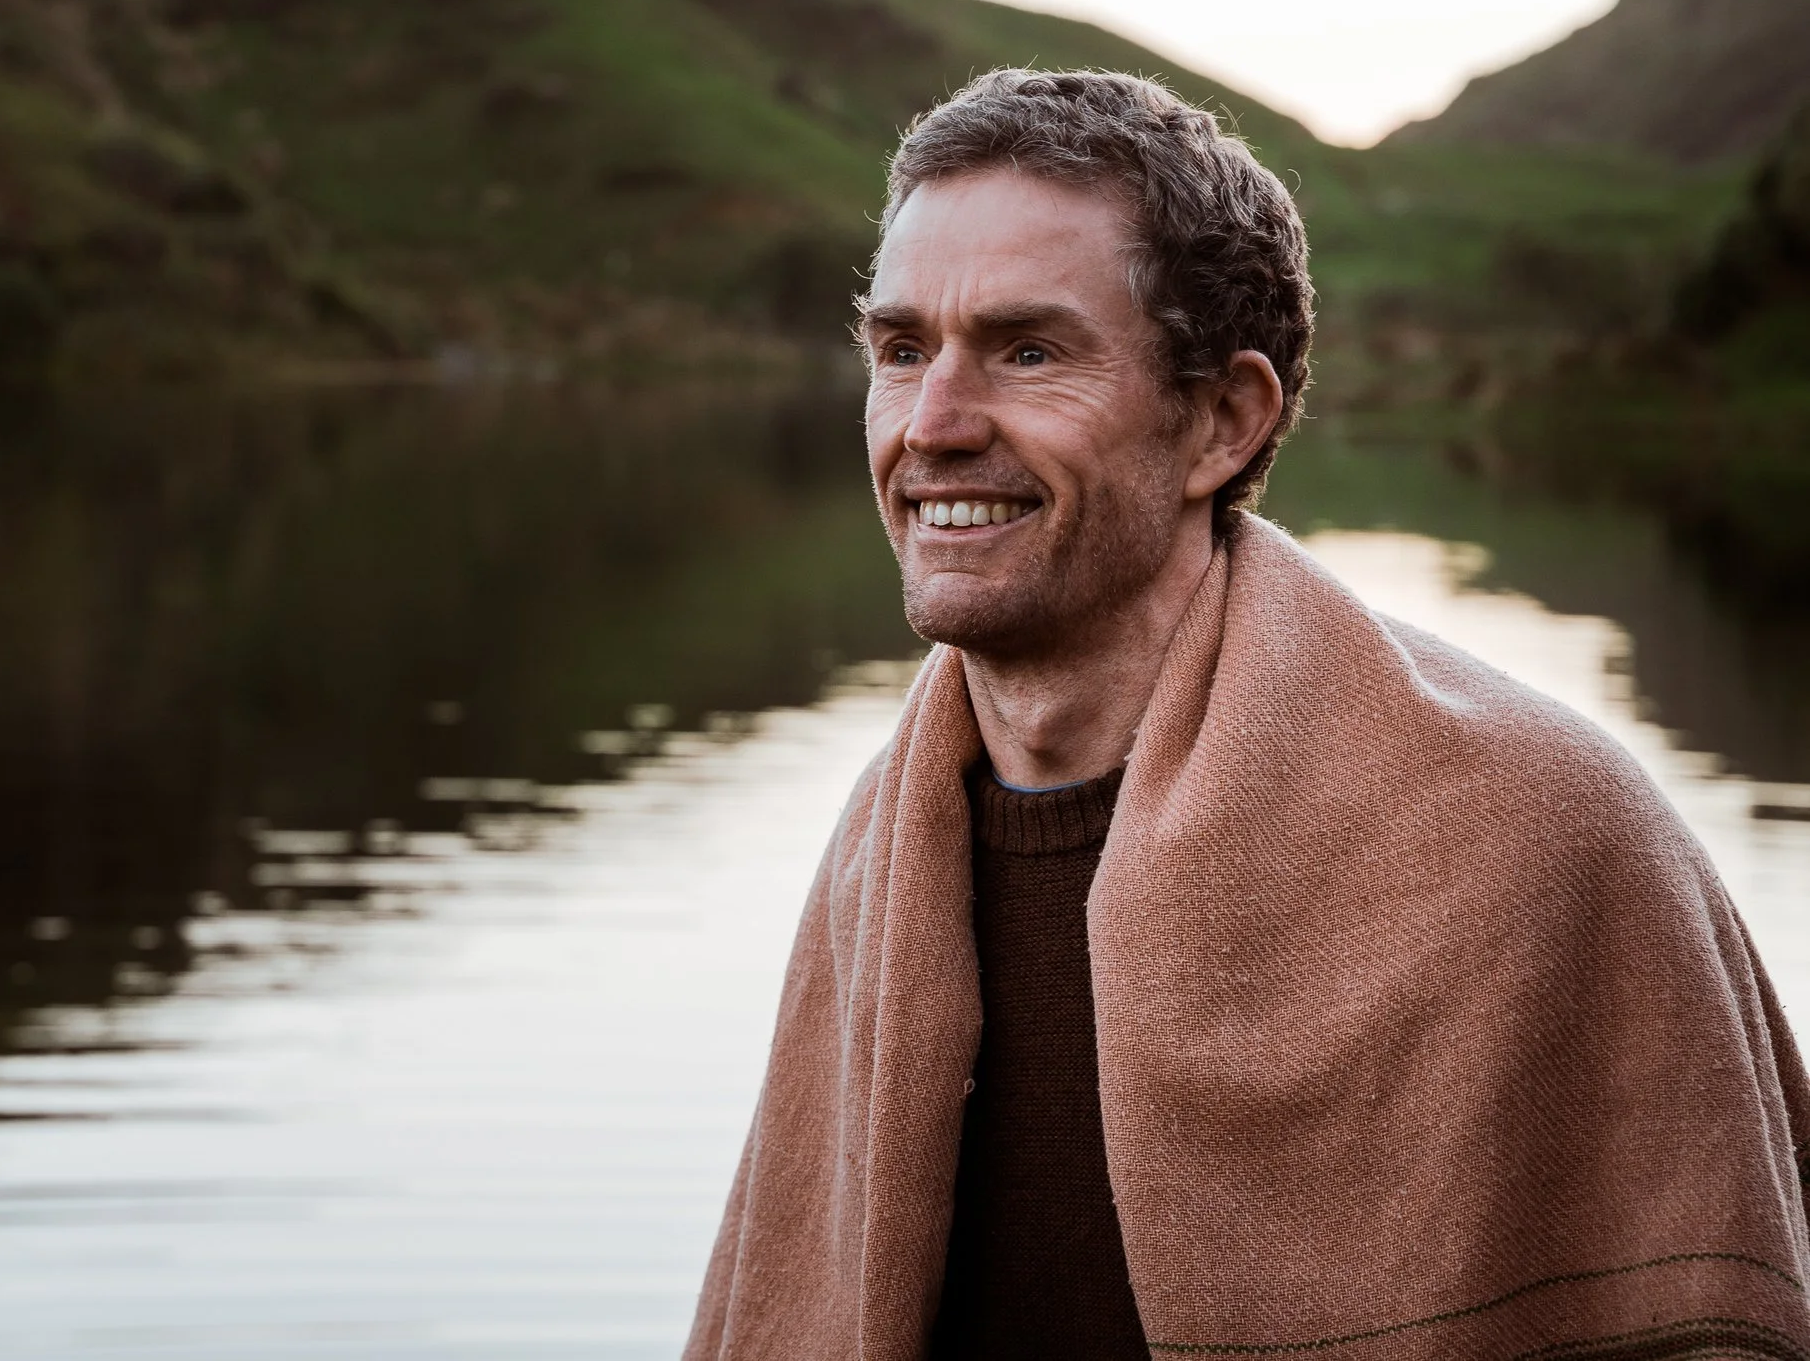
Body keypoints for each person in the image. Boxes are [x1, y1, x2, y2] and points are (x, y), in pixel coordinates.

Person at [684, 69, 1810, 1361]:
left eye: (1028, 351)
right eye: (901, 350)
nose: (932, 425)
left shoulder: (1545, 837)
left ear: (1223, 421)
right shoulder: (881, 857)